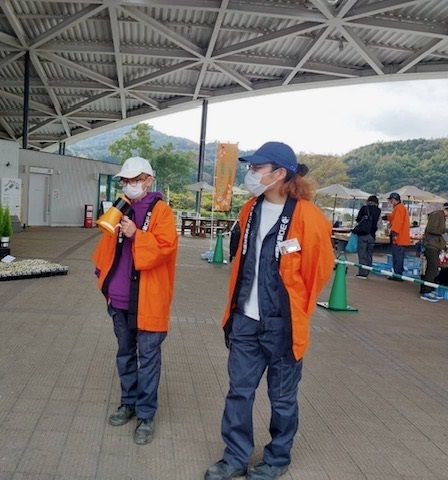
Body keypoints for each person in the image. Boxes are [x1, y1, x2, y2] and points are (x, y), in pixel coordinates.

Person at [205, 142, 334, 480]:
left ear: (279, 174)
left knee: (282, 398)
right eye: (250, 167)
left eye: (256, 168)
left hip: (283, 325)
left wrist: (294, 314)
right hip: (245, 321)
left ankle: (277, 459)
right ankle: (235, 457)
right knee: (239, 392)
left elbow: (318, 272)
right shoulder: (250, 209)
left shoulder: (309, 218)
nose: (250, 174)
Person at [91, 156, 178, 446]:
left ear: (149, 181)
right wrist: (102, 277)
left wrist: (135, 235)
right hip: (119, 298)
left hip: (148, 299)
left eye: (135, 180)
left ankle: (146, 415)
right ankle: (128, 403)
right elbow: (105, 246)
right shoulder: (120, 207)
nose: (130, 185)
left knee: (148, 359)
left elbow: (165, 249)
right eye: (126, 181)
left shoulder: (162, 211)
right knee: (125, 354)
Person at [419, 202, 448, 302]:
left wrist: (445, 245)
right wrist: (445, 230)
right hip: (431, 245)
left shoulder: (442, 216)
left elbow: (442, 233)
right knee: (433, 268)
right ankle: (426, 291)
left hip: (435, 245)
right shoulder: (437, 215)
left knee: (432, 268)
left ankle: (427, 289)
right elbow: (431, 229)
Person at [385, 192, 411, 281]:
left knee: (397, 257)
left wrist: (394, 234)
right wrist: (387, 217)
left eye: (391, 200)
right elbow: (394, 218)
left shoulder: (399, 208)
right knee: (399, 257)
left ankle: (397, 275)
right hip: (402, 237)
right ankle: (398, 274)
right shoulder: (401, 207)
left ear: (394, 199)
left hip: (398, 238)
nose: (390, 202)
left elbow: (397, 222)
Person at [354, 195, 381, 278]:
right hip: (372, 235)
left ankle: (362, 273)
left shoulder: (364, 208)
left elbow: (358, 219)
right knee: (369, 254)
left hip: (363, 234)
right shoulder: (378, 210)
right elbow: (378, 223)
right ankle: (368, 270)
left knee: (362, 254)